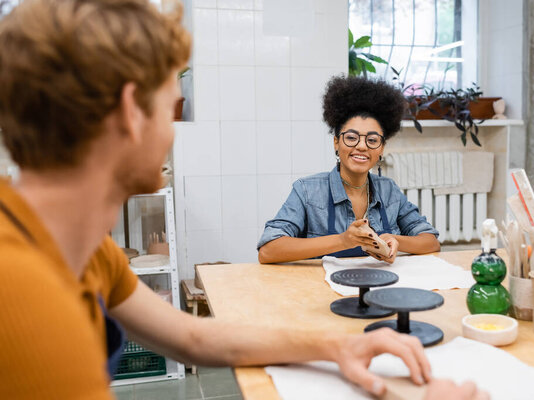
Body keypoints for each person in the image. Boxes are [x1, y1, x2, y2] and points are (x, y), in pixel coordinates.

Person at [0, 1, 486, 399]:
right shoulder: (21, 293)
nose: (174, 127)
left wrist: (336, 346)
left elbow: (192, 336)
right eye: (172, 107)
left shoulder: (84, 249)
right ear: (131, 112)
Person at [258, 76, 440, 264]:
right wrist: (342, 240)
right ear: (336, 142)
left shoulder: (389, 190)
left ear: (382, 148)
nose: (362, 146)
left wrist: (395, 240)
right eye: (351, 138)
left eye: (372, 140)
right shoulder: (307, 190)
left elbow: (431, 242)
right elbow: (269, 250)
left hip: (379, 285)